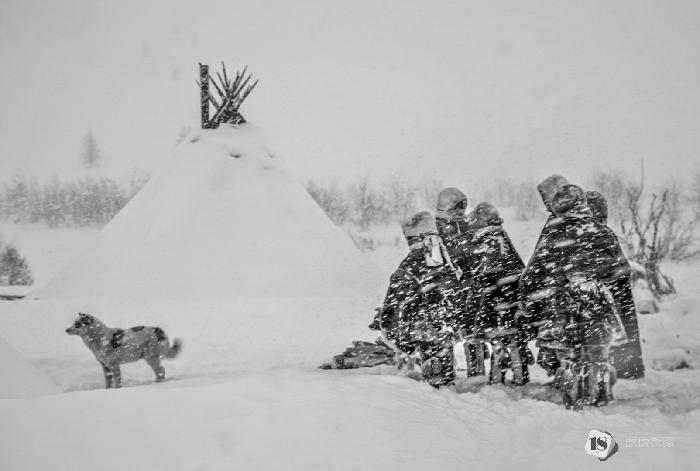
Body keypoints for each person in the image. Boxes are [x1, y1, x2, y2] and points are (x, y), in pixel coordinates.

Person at [522, 184, 627, 408]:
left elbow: (534, 274)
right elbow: (620, 270)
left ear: (561, 205)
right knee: (598, 350)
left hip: (563, 302)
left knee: (568, 350)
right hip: (597, 300)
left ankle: (571, 387)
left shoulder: (554, 235)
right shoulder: (603, 231)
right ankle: (600, 389)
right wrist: (602, 283)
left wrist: (529, 299)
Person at [374, 211, 463, 387]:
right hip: (447, 325)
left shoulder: (412, 262)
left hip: (424, 330)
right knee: (444, 375)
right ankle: (445, 383)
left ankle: (436, 390)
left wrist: (384, 321)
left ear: (413, 236)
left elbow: (395, 297)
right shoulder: (444, 257)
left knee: (434, 384)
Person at [465, 202, 532, 385]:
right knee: (514, 343)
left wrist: (473, 310)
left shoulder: (487, 242)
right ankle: (520, 380)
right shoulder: (501, 238)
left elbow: (482, 279)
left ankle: (498, 382)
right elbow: (518, 269)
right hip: (512, 302)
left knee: (500, 345)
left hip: (495, 304)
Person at [586, 190, 645, 378]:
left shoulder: (592, 234)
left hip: (609, 289)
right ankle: (626, 366)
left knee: (614, 324)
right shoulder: (604, 233)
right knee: (622, 324)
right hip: (614, 288)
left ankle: (622, 366)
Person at [520, 174, 570, 376]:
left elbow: (541, 258)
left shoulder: (557, 223)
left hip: (560, 290)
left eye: (546, 198)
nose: (545, 204)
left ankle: (559, 366)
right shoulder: (583, 218)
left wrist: (528, 286)